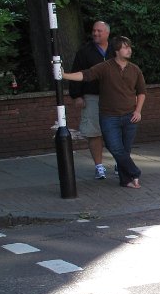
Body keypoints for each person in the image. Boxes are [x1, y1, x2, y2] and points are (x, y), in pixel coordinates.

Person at [63, 37, 147, 189]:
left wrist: (138, 111)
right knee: (114, 147)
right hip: (109, 117)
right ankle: (134, 172)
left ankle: (126, 180)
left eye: (129, 47)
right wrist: (65, 75)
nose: (129, 50)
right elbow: (86, 75)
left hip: (130, 116)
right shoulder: (105, 67)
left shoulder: (135, 69)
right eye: (125, 47)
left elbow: (141, 92)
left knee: (125, 150)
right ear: (116, 51)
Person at [68, 20, 113, 179]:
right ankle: (99, 166)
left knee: (117, 130)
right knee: (94, 131)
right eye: (94, 31)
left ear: (107, 33)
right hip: (92, 97)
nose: (95, 33)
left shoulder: (116, 50)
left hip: (114, 97)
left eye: (99, 31)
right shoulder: (84, 52)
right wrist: (77, 95)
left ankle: (120, 162)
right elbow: (76, 73)